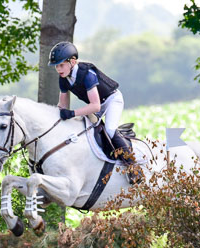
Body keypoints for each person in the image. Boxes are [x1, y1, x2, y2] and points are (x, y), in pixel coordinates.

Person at [48, 41, 139, 184]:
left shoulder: (87, 74)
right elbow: (62, 105)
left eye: (61, 65)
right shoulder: (63, 79)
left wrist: (72, 113)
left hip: (111, 100)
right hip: (96, 104)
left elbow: (95, 106)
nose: (58, 69)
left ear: (72, 62)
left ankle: (133, 167)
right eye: (56, 66)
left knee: (109, 129)